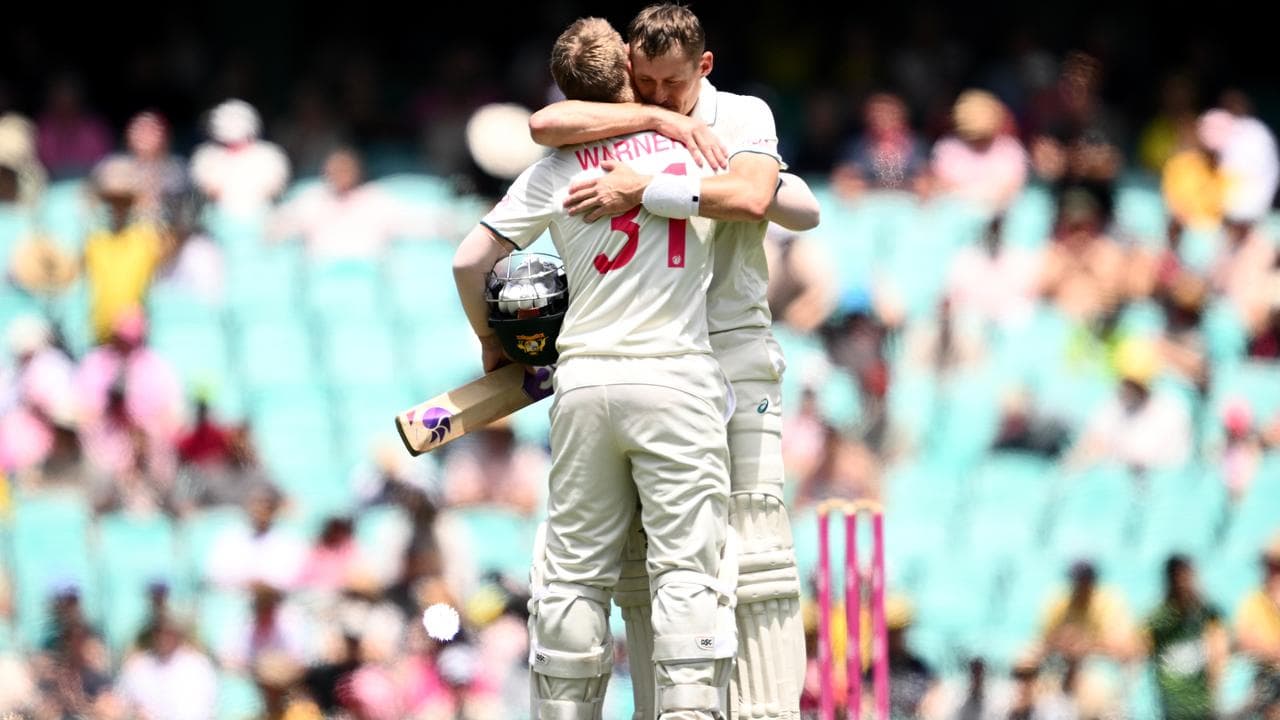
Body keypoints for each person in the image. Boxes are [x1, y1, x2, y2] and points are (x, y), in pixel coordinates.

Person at [527, 5, 816, 717]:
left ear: (704, 69)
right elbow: (541, 127)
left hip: (732, 359)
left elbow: (758, 197)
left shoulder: (743, 114)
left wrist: (645, 187)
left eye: (671, 85)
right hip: (653, 368)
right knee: (637, 576)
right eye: (643, 80)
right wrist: (660, 122)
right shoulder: (634, 115)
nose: (654, 93)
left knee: (750, 567)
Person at [453, 19, 737, 719]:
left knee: (573, 576)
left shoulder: (552, 169)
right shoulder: (692, 148)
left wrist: (493, 341)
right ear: (631, 74)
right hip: (676, 379)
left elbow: (468, 260)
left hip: (580, 384)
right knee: (686, 572)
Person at [1144, 555, 1227, 720]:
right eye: (1181, 577)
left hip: (1203, 703)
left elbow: (1220, 646)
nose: (1186, 583)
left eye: (1189, 576)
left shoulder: (1206, 613)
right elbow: (1139, 647)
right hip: (1174, 703)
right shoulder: (1160, 618)